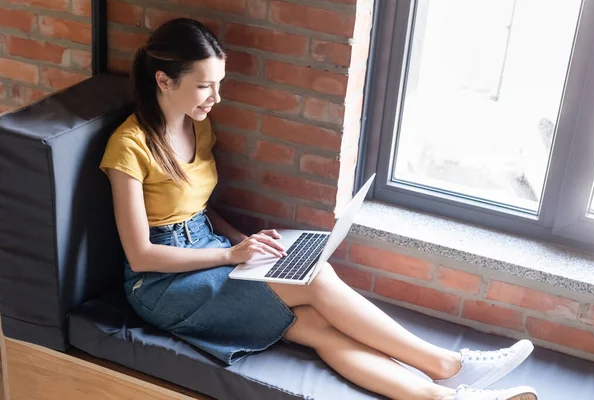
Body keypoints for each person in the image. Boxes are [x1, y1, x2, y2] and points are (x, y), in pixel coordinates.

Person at [100, 18, 538, 400]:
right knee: (315, 277)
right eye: (204, 86)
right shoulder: (128, 147)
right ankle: (449, 366)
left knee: (316, 327)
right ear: (163, 81)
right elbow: (142, 255)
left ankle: (439, 396)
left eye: (220, 83)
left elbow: (199, 209)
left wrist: (243, 241)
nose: (216, 96)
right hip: (161, 287)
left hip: (209, 252)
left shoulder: (200, 125)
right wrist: (232, 256)